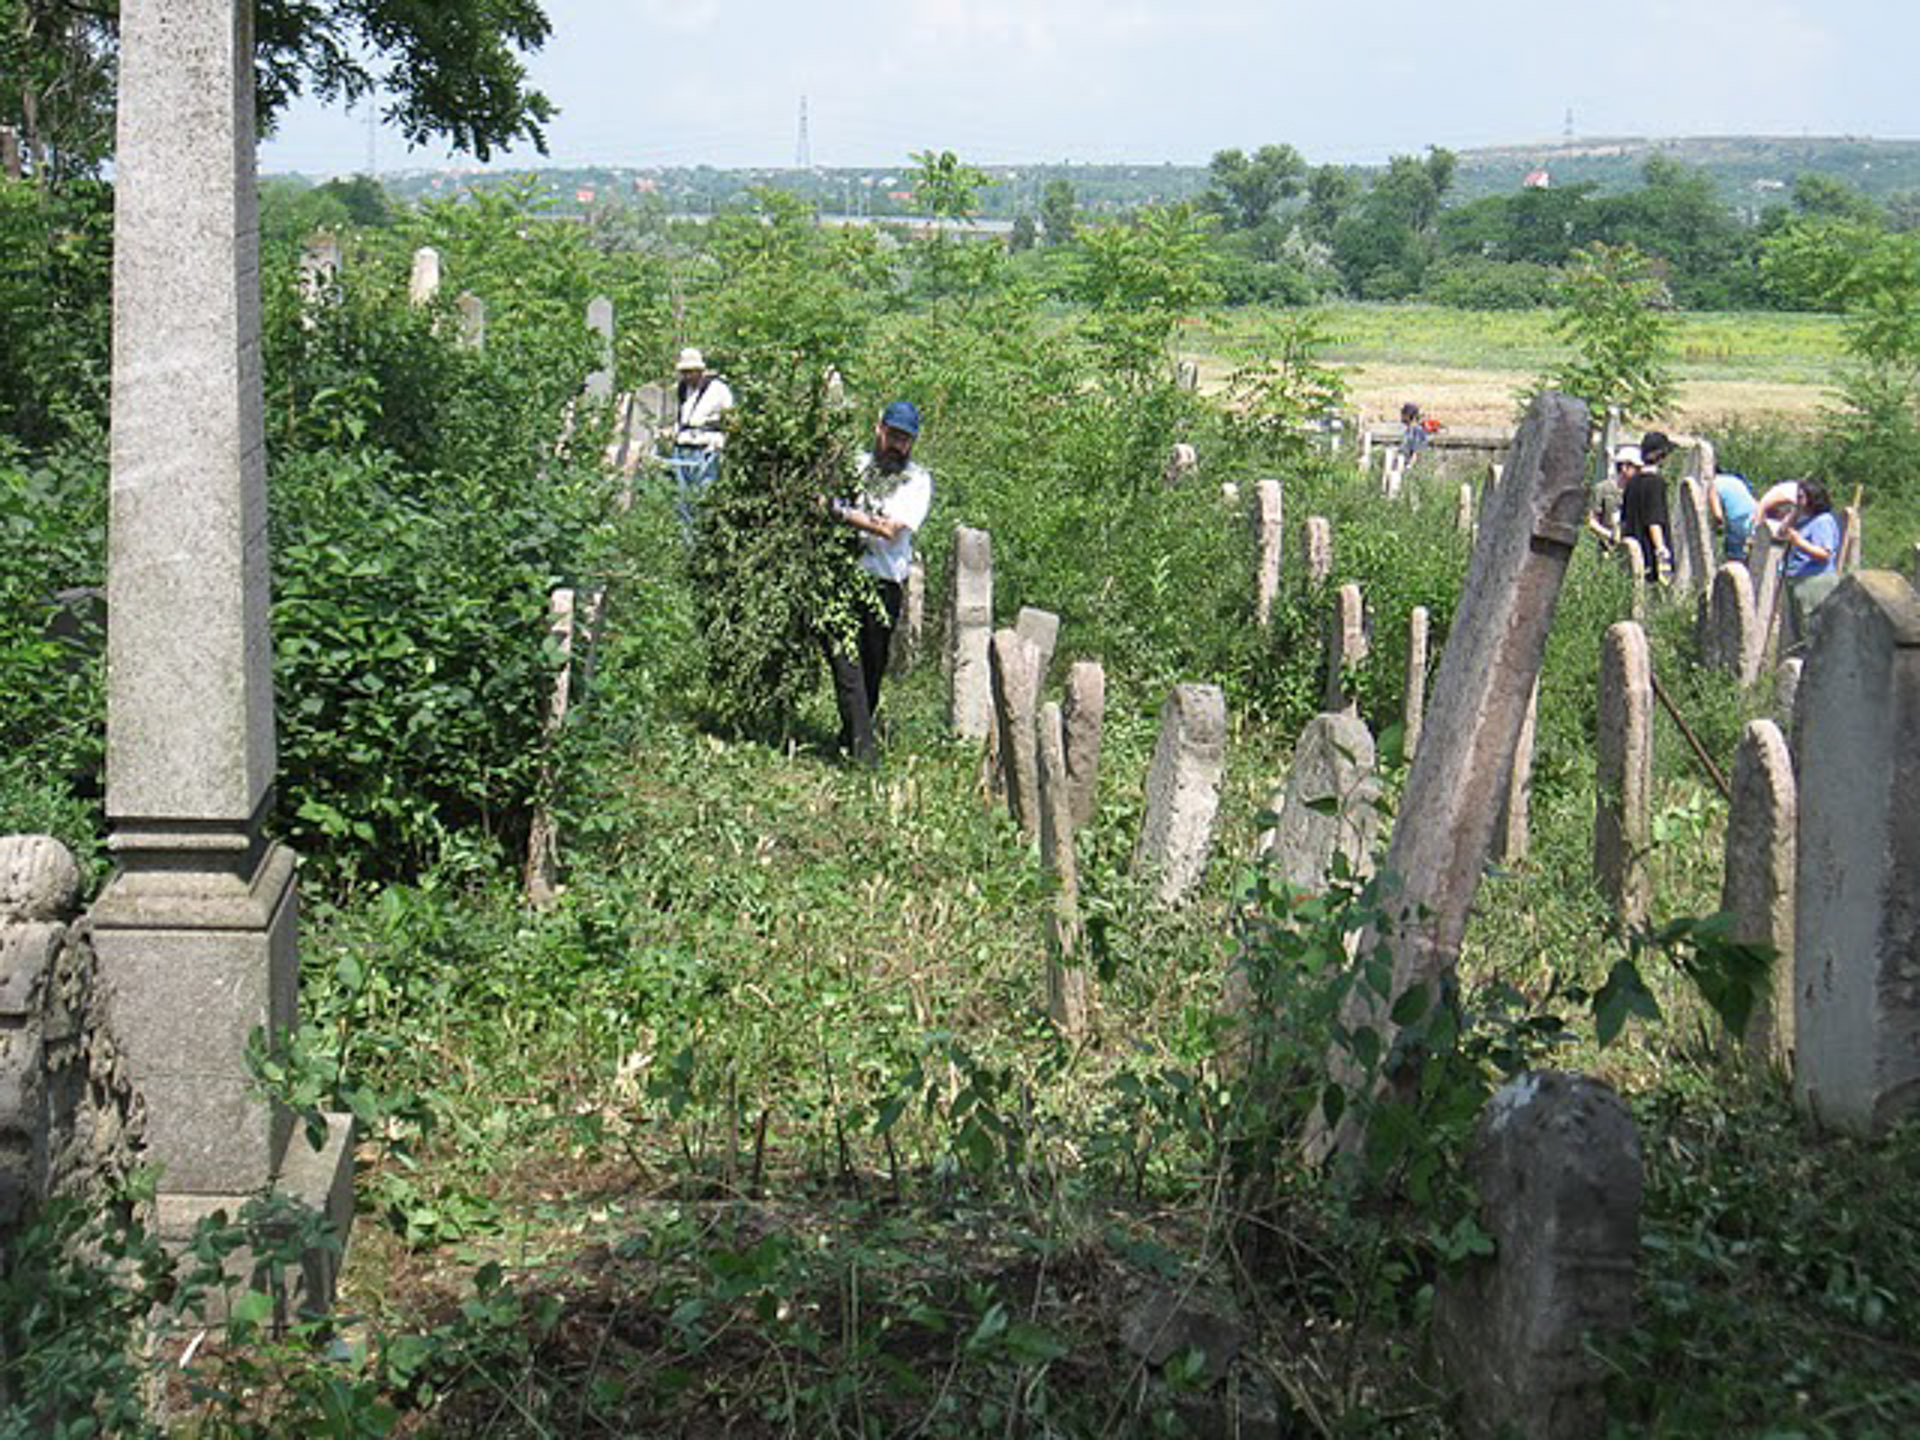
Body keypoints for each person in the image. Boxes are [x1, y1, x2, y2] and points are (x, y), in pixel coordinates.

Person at [821, 401, 933, 764]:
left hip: (884, 585)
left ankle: (850, 736)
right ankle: (864, 755)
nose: (897, 445)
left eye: (905, 439)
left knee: (871, 669)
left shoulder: (916, 481)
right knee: (845, 665)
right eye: (893, 435)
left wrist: (840, 512)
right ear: (878, 429)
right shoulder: (853, 465)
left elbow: (888, 530)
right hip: (842, 578)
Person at [669, 346, 734, 534]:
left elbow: (730, 418)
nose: (687, 376)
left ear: (700, 370)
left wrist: (722, 442)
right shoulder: (683, 390)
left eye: (690, 372)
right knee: (684, 500)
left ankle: (705, 541)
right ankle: (688, 544)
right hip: (683, 448)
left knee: (705, 498)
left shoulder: (719, 389)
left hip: (706, 448)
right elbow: (683, 417)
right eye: (684, 372)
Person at [1773, 478, 1841, 649]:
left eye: (1801, 497)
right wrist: (1794, 513)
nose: (1798, 501)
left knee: (1812, 628)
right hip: (1797, 579)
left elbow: (1824, 554)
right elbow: (1781, 533)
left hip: (1814, 580)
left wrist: (1799, 542)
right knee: (1800, 631)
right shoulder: (1804, 520)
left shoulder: (1823, 521)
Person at [1618, 430, 1674, 581]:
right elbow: (1653, 520)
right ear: (1660, 455)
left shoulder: (1632, 483)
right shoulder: (1655, 482)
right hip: (1649, 553)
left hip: (1631, 551)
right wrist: (1661, 551)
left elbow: (1623, 519)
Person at [1587, 443, 1638, 549]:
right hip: (1605, 547)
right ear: (1624, 467)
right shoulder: (1603, 489)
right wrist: (1611, 536)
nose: (1639, 471)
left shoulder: (1637, 492)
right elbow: (1592, 521)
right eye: (1636, 468)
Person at [1708, 470, 1758, 562]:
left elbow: (1718, 515)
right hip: (1756, 515)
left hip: (1738, 519)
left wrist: (1715, 528)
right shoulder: (1734, 479)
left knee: (1734, 559)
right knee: (1750, 557)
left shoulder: (1713, 485)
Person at [1398, 402, 1430, 470]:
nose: (1401, 416)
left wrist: (1409, 467)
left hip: (1410, 467)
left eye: (1403, 414)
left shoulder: (1417, 430)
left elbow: (1417, 452)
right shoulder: (1408, 430)